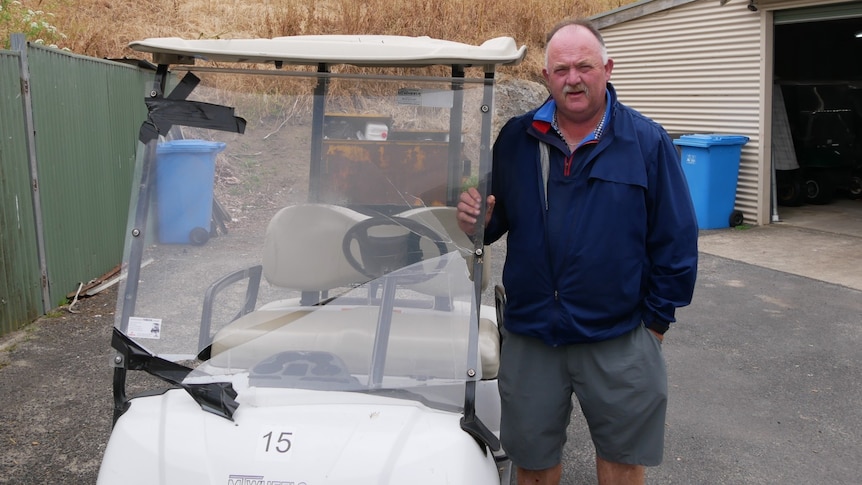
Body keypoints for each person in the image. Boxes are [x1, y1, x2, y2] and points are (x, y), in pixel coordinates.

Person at [456, 18, 698, 485]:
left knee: (623, 463)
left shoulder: (646, 142)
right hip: (532, 338)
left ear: (607, 68)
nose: (573, 78)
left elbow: (676, 241)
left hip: (619, 337)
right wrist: (476, 221)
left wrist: (655, 326)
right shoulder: (516, 139)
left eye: (584, 66)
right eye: (561, 68)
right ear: (545, 77)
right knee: (532, 464)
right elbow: (495, 219)